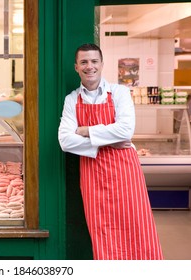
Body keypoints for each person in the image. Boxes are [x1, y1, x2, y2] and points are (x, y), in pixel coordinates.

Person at [58, 43, 163, 260]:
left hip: (125, 172)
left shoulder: (120, 92)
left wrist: (86, 131)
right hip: (92, 173)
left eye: (94, 61)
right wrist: (108, 141)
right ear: (76, 67)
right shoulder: (71, 100)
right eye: (84, 62)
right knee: (102, 230)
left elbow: (125, 130)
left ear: (102, 64)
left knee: (136, 227)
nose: (90, 66)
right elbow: (66, 141)